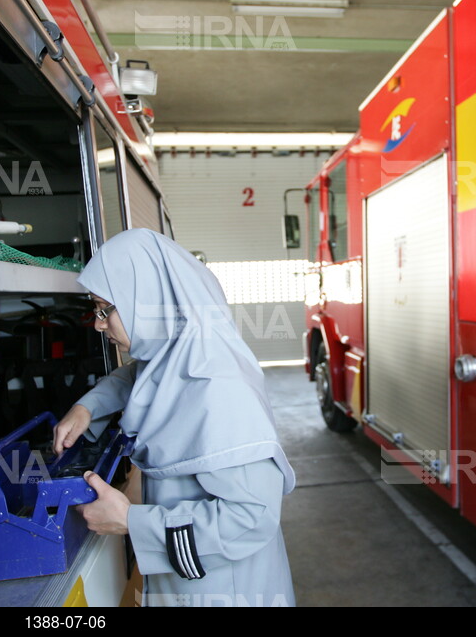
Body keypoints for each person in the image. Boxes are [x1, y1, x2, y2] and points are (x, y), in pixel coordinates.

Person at [53, 228, 296, 607]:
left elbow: (252, 519)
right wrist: (88, 406)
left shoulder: (220, 392)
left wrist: (133, 523)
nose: (99, 324)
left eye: (105, 309)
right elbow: (138, 375)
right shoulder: (182, 353)